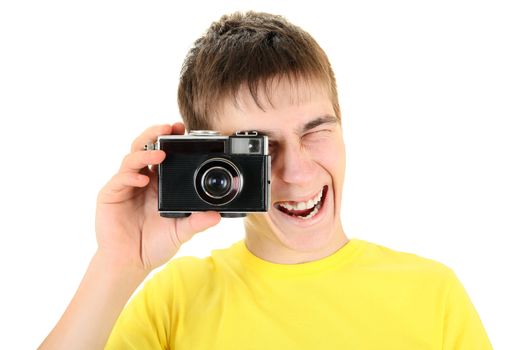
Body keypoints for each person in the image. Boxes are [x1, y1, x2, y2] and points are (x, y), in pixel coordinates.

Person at [39, 11, 493, 349]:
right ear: (211, 162)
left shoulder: (433, 294)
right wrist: (117, 264)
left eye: (315, 130)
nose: (296, 171)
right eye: (259, 147)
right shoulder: (173, 301)